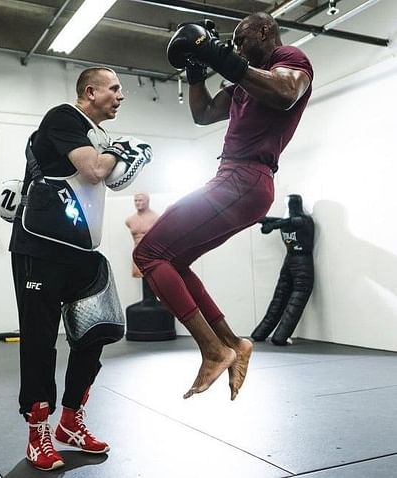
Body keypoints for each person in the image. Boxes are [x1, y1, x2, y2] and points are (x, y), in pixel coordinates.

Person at [133, 13, 313, 401]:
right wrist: (197, 72)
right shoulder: (244, 84)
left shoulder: (290, 57)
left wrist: (215, 53)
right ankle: (234, 343)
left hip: (244, 179)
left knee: (148, 253)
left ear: (265, 31)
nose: (236, 46)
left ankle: (213, 349)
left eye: (241, 38)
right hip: (236, 180)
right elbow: (203, 115)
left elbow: (285, 92)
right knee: (172, 263)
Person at [8, 67, 151, 471]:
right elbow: (95, 171)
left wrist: (118, 149)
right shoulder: (64, 117)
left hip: (82, 249)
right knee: (39, 339)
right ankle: (39, 428)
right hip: (41, 248)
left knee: (97, 331)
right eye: (115, 88)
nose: (121, 96)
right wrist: (124, 151)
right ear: (90, 91)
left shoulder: (99, 134)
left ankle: (71, 419)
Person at [252, 194, 315, 345]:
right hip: (295, 260)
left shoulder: (301, 221)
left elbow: (293, 221)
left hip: (297, 261)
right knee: (285, 300)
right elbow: (284, 221)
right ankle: (267, 335)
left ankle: (275, 336)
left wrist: (271, 225)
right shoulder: (290, 222)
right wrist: (265, 220)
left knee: (288, 300)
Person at [125, 192, 159, 301]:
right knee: (142, 277)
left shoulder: (155, 218)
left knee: (152, 278)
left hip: (151, 254)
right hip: (137, 252)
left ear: (147, 201)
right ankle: (147, 301)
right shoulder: (129, 220)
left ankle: (152, 300)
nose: (138, 203)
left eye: (140, 200)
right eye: (136, 200)